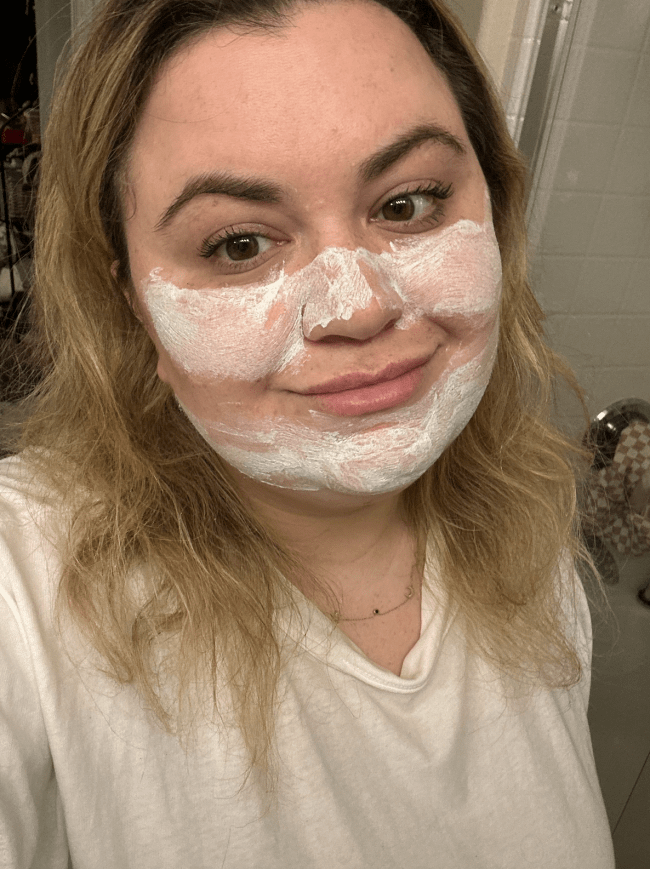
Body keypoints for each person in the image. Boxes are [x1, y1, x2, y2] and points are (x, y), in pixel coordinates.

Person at [0, 0, 616, 866]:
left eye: (407, 203)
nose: (357, 307)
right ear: (131, 302)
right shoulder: (26, 592)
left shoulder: (532, 543)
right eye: (239, 244)